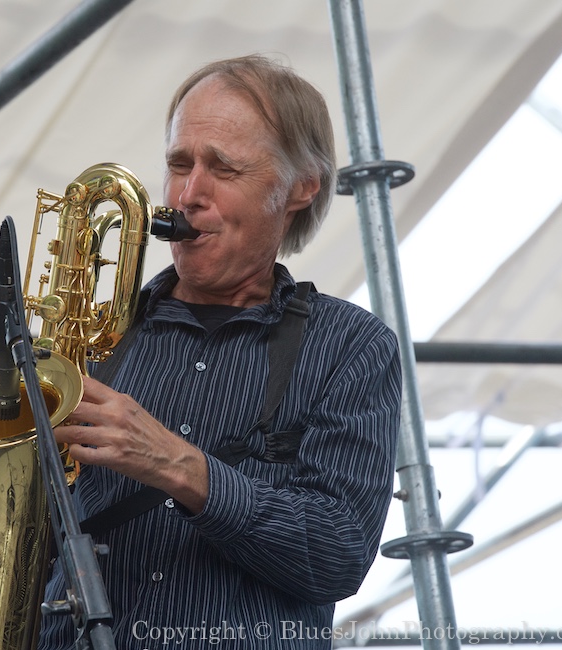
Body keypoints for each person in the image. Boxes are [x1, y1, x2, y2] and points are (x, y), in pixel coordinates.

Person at [38, 54, 401, 649]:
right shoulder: (89, 334)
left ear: (300, 188)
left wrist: (182, 468)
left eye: (223, 169)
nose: (187, 194)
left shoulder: (350, 347)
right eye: (179, 165)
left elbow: (337, 555)